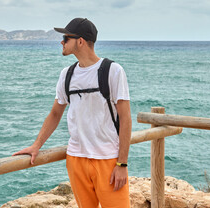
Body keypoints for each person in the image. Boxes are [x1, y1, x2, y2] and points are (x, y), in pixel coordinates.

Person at [13, 18, 132, 208]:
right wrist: (36, 145)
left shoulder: (113, 71)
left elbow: (125, 119)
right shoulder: (66, 74)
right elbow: (55, 114)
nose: (62, 42)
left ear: (80, 41)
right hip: (76, 159)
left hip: (108, 160)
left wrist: (122, 164)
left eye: (66, 37)